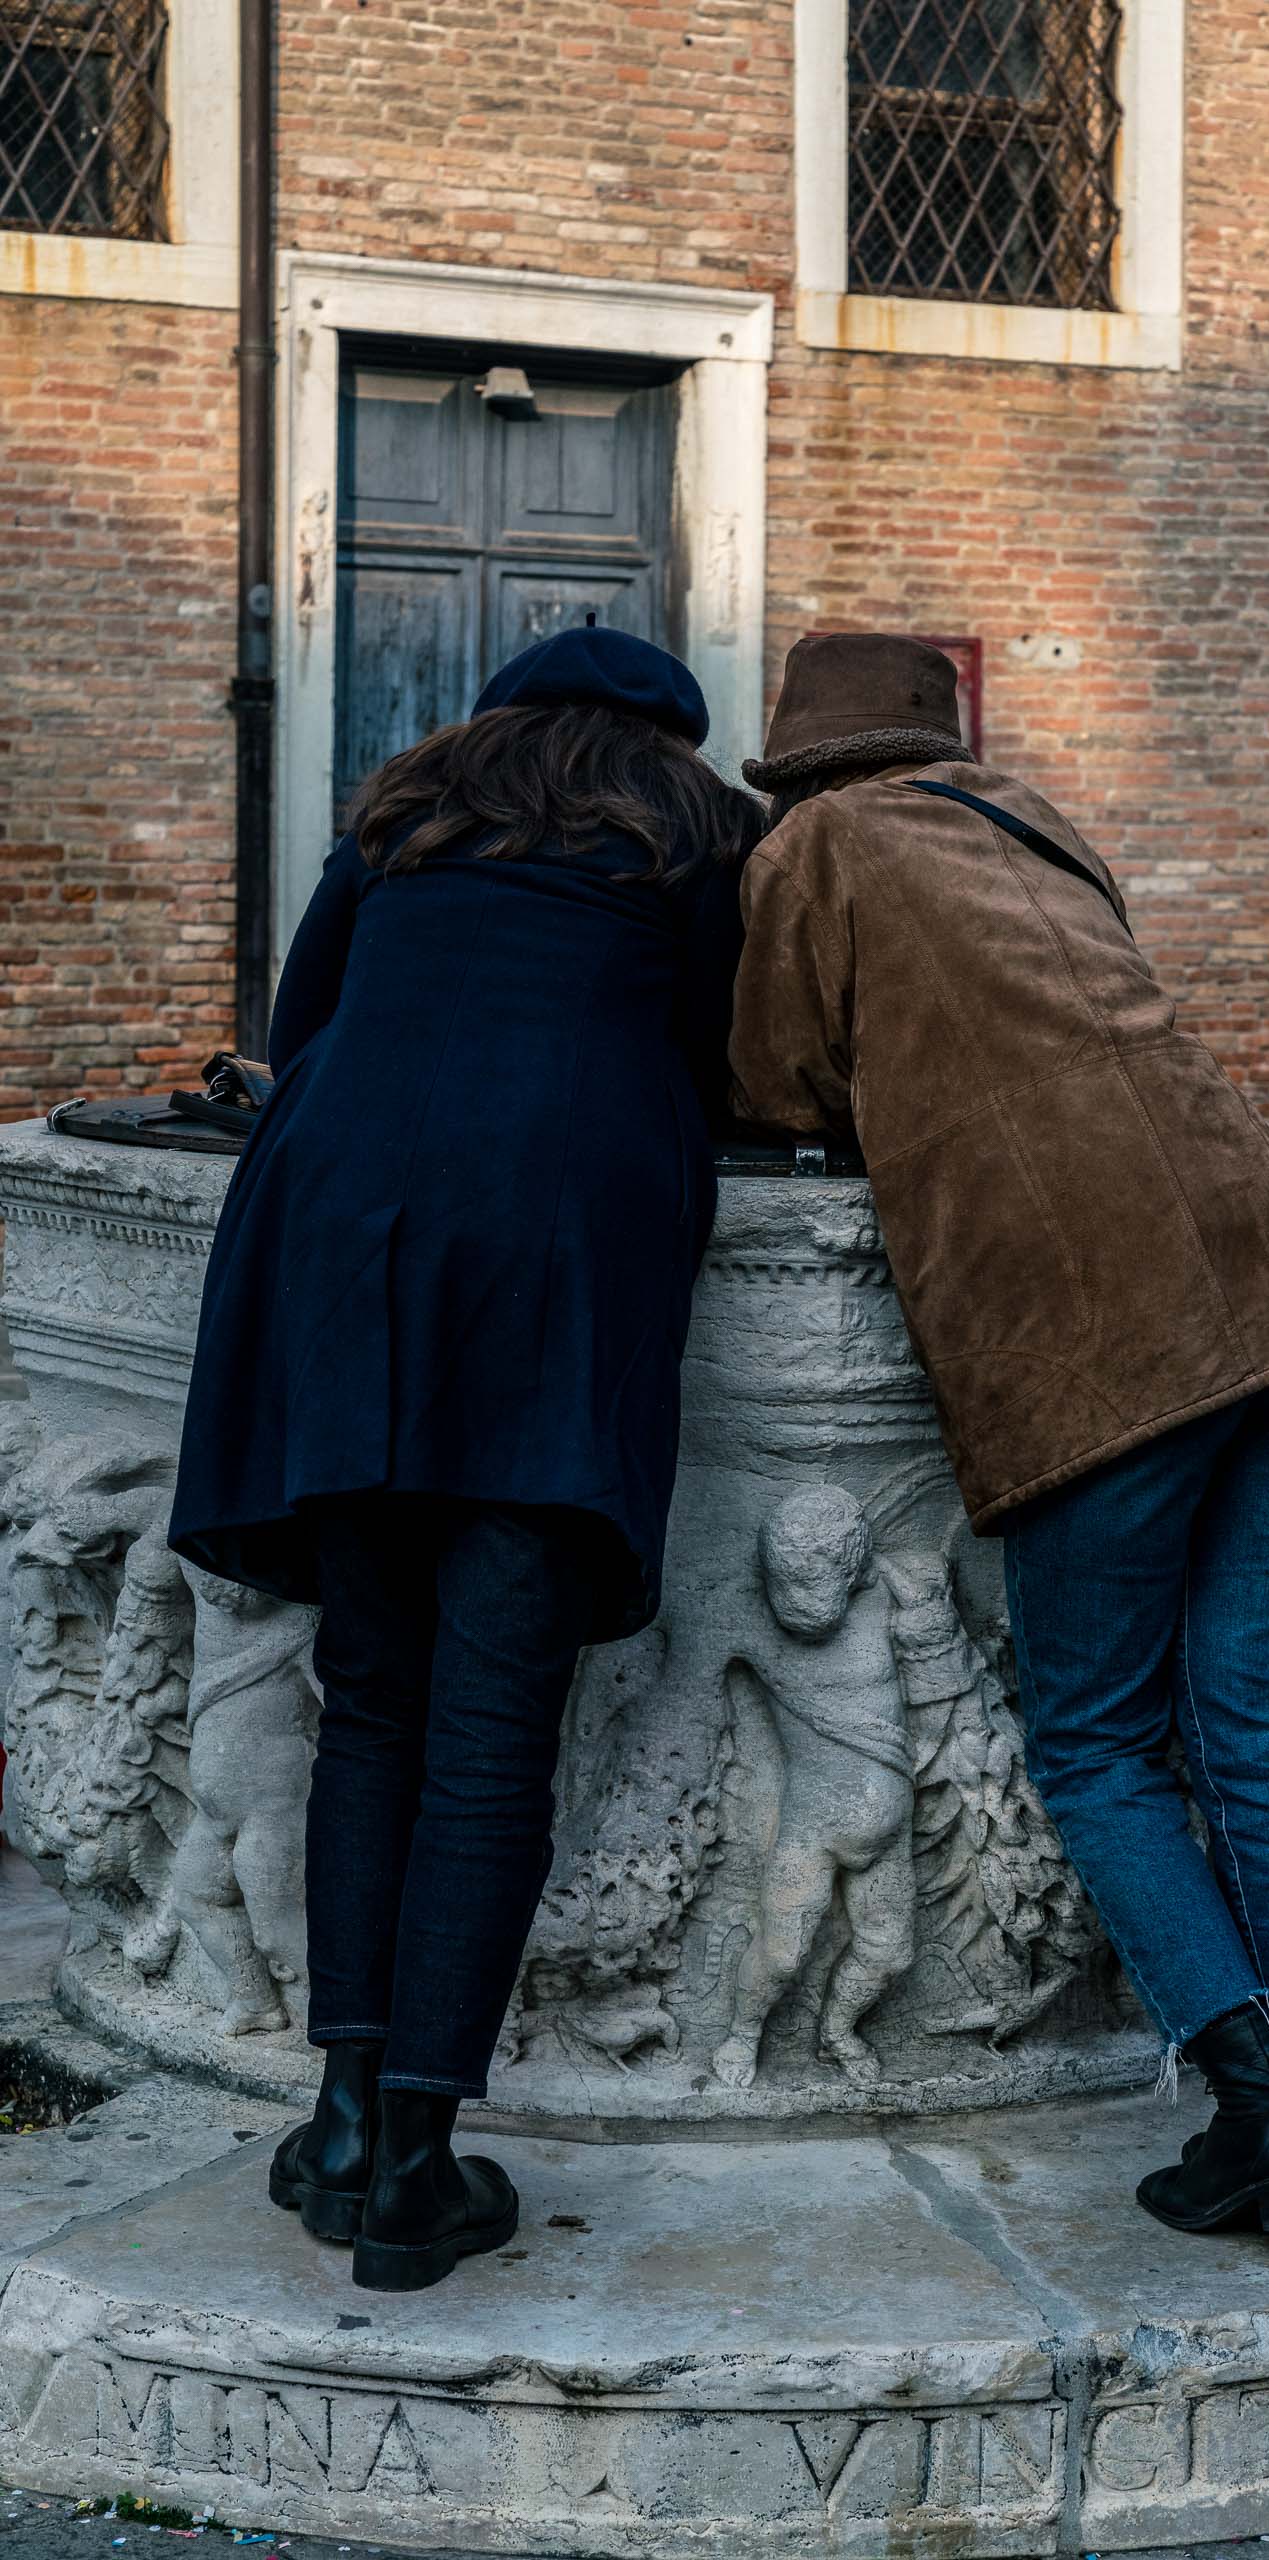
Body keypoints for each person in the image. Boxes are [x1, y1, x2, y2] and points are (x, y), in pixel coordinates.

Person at [728, 632, 1269, 2247]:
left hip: (1105, 1337)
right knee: (1245, 1704)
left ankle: (1256, 2117)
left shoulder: (811, 849)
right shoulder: (1033, 816)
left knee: (1094, 1743)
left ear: (801, 766)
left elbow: (769, 1083)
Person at [169, 627, 761, 2292]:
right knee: (491, 1725)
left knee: (372, 1698)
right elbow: (728, 1061)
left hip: (344, 1238)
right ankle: (420, 2157)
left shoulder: (403, 812)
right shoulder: (700, 831)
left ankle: (348, 2119)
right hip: (554, 1249)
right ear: (669, 732)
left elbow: (305, 1021)